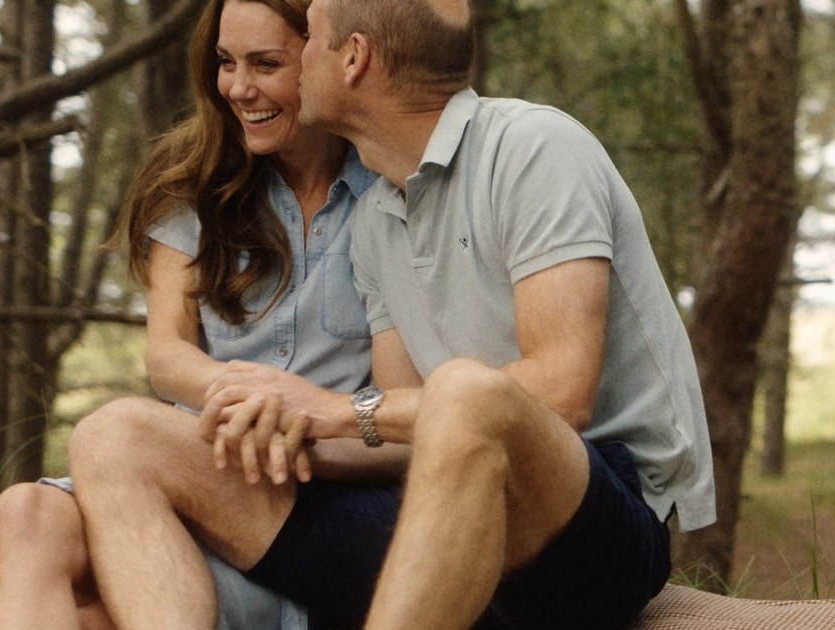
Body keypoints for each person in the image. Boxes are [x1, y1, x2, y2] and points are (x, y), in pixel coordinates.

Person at [76, 1, 718, 629]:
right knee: (116, 433)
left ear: (352, 57)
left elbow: (561, 391)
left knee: (467, 390)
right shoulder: (379, 214)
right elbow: (396, 433)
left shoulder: (533, 147)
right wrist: (288, 433)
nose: (294, 62)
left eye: (310, 39)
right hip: (440, 525)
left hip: (586, 531)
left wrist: (334, 410)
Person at [0, 0, 399, 628]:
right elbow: (167, 355)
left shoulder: (390, 194)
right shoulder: (196, 181)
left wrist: (298, 418)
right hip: (182, 463)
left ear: (330, 59)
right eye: (226, 63)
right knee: (25, 513)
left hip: (311, 491)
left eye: (266, 63)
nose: (238, 87)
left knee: (110, 454)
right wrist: (248, 400)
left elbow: (401, 407)